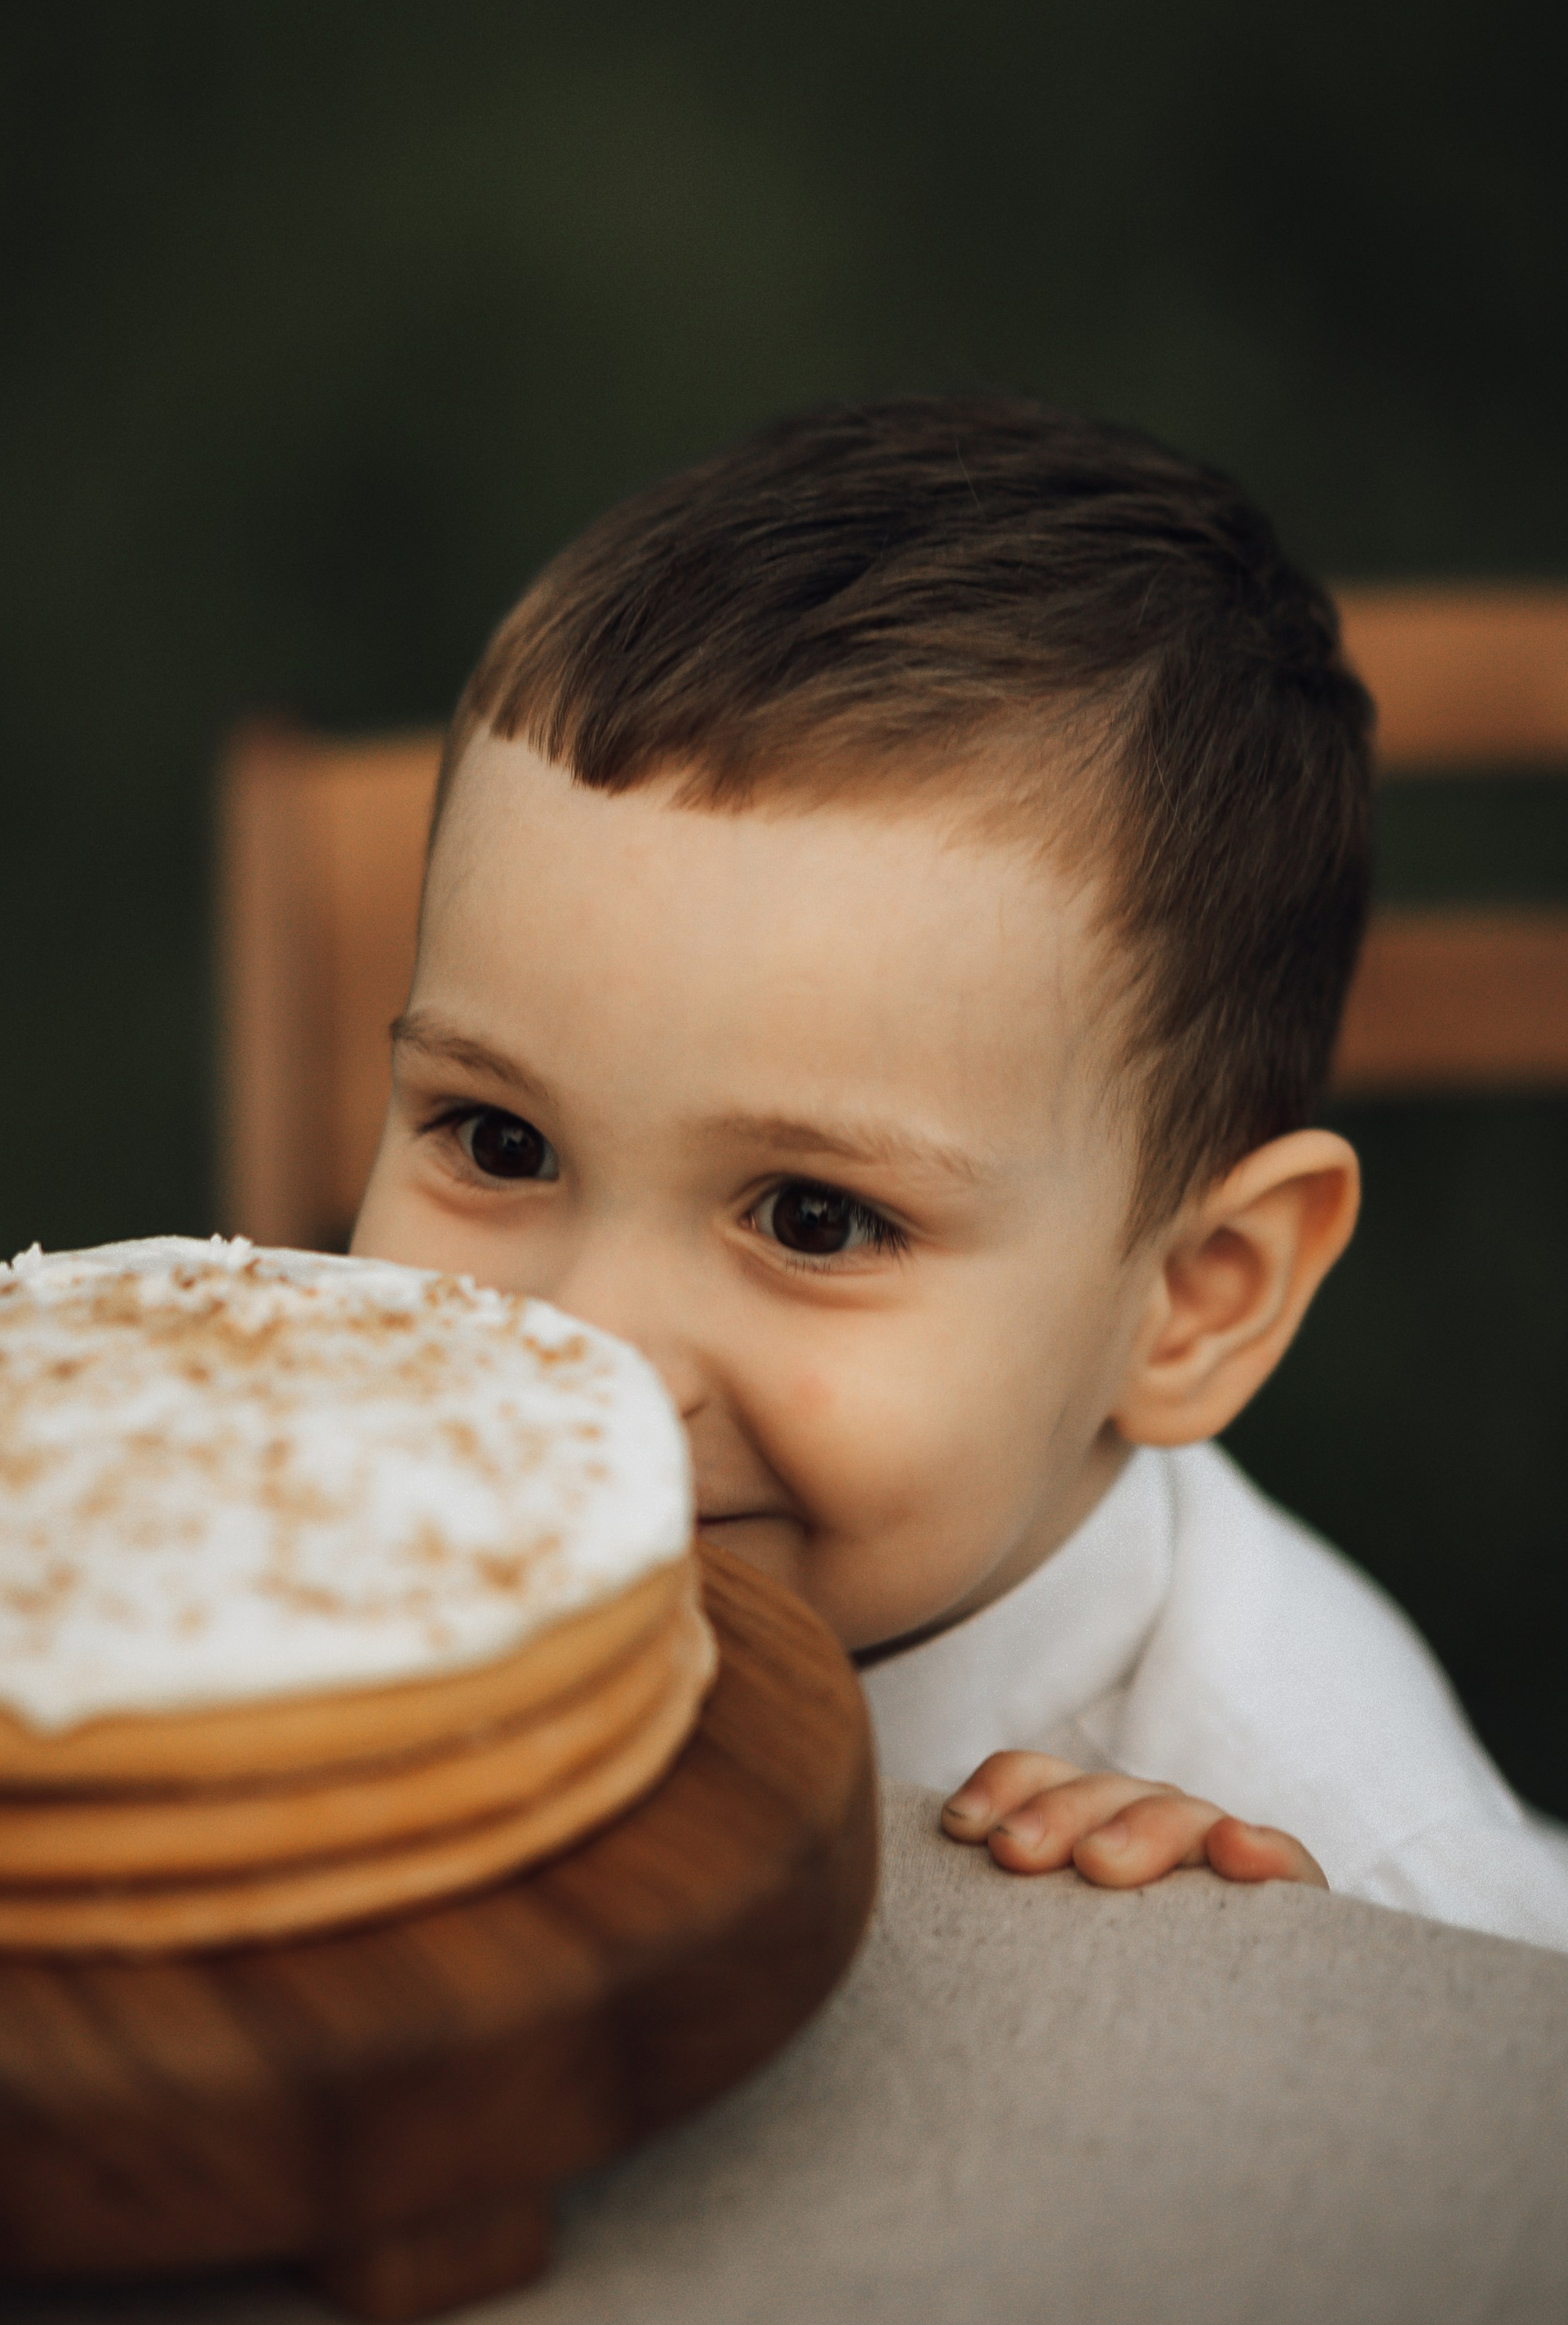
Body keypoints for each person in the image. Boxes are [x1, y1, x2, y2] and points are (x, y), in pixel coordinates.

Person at [352, 397, 1568, 1950]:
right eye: (497, 1141)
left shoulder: (1359, 1886)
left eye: (815, 1217)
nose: (584, 1357)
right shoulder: (348, 1517)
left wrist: (1280, 2033)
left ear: (1192, 1301)